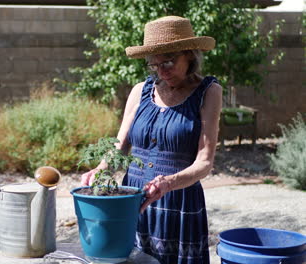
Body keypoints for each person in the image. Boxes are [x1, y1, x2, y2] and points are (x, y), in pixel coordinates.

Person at [81, 16, 222, 264]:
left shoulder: (208, 92)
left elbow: (205, 161)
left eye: (168, 61)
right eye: (153, 65)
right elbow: (119, 148)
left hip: (178, 201)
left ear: (189, 54)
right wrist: (100, 170)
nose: (161, 71)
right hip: (133, 199)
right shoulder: (140, 91)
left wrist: (169, 182)